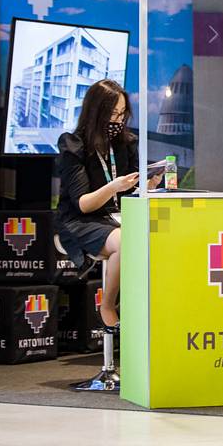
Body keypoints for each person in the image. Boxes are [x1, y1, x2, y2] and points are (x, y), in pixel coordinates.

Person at [54, 79, 160, 329]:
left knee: (157, 237)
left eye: (122, 114)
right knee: (125, 241)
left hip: (118, 216)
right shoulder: (74, 145)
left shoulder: (126, 143)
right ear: (96, 112)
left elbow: (130, 191)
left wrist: (148, 185)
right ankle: (108, 305)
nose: (118, 120)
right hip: (82, 221)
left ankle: (148, 307)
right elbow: (83, 204)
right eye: (113, 114)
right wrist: (114, 186)